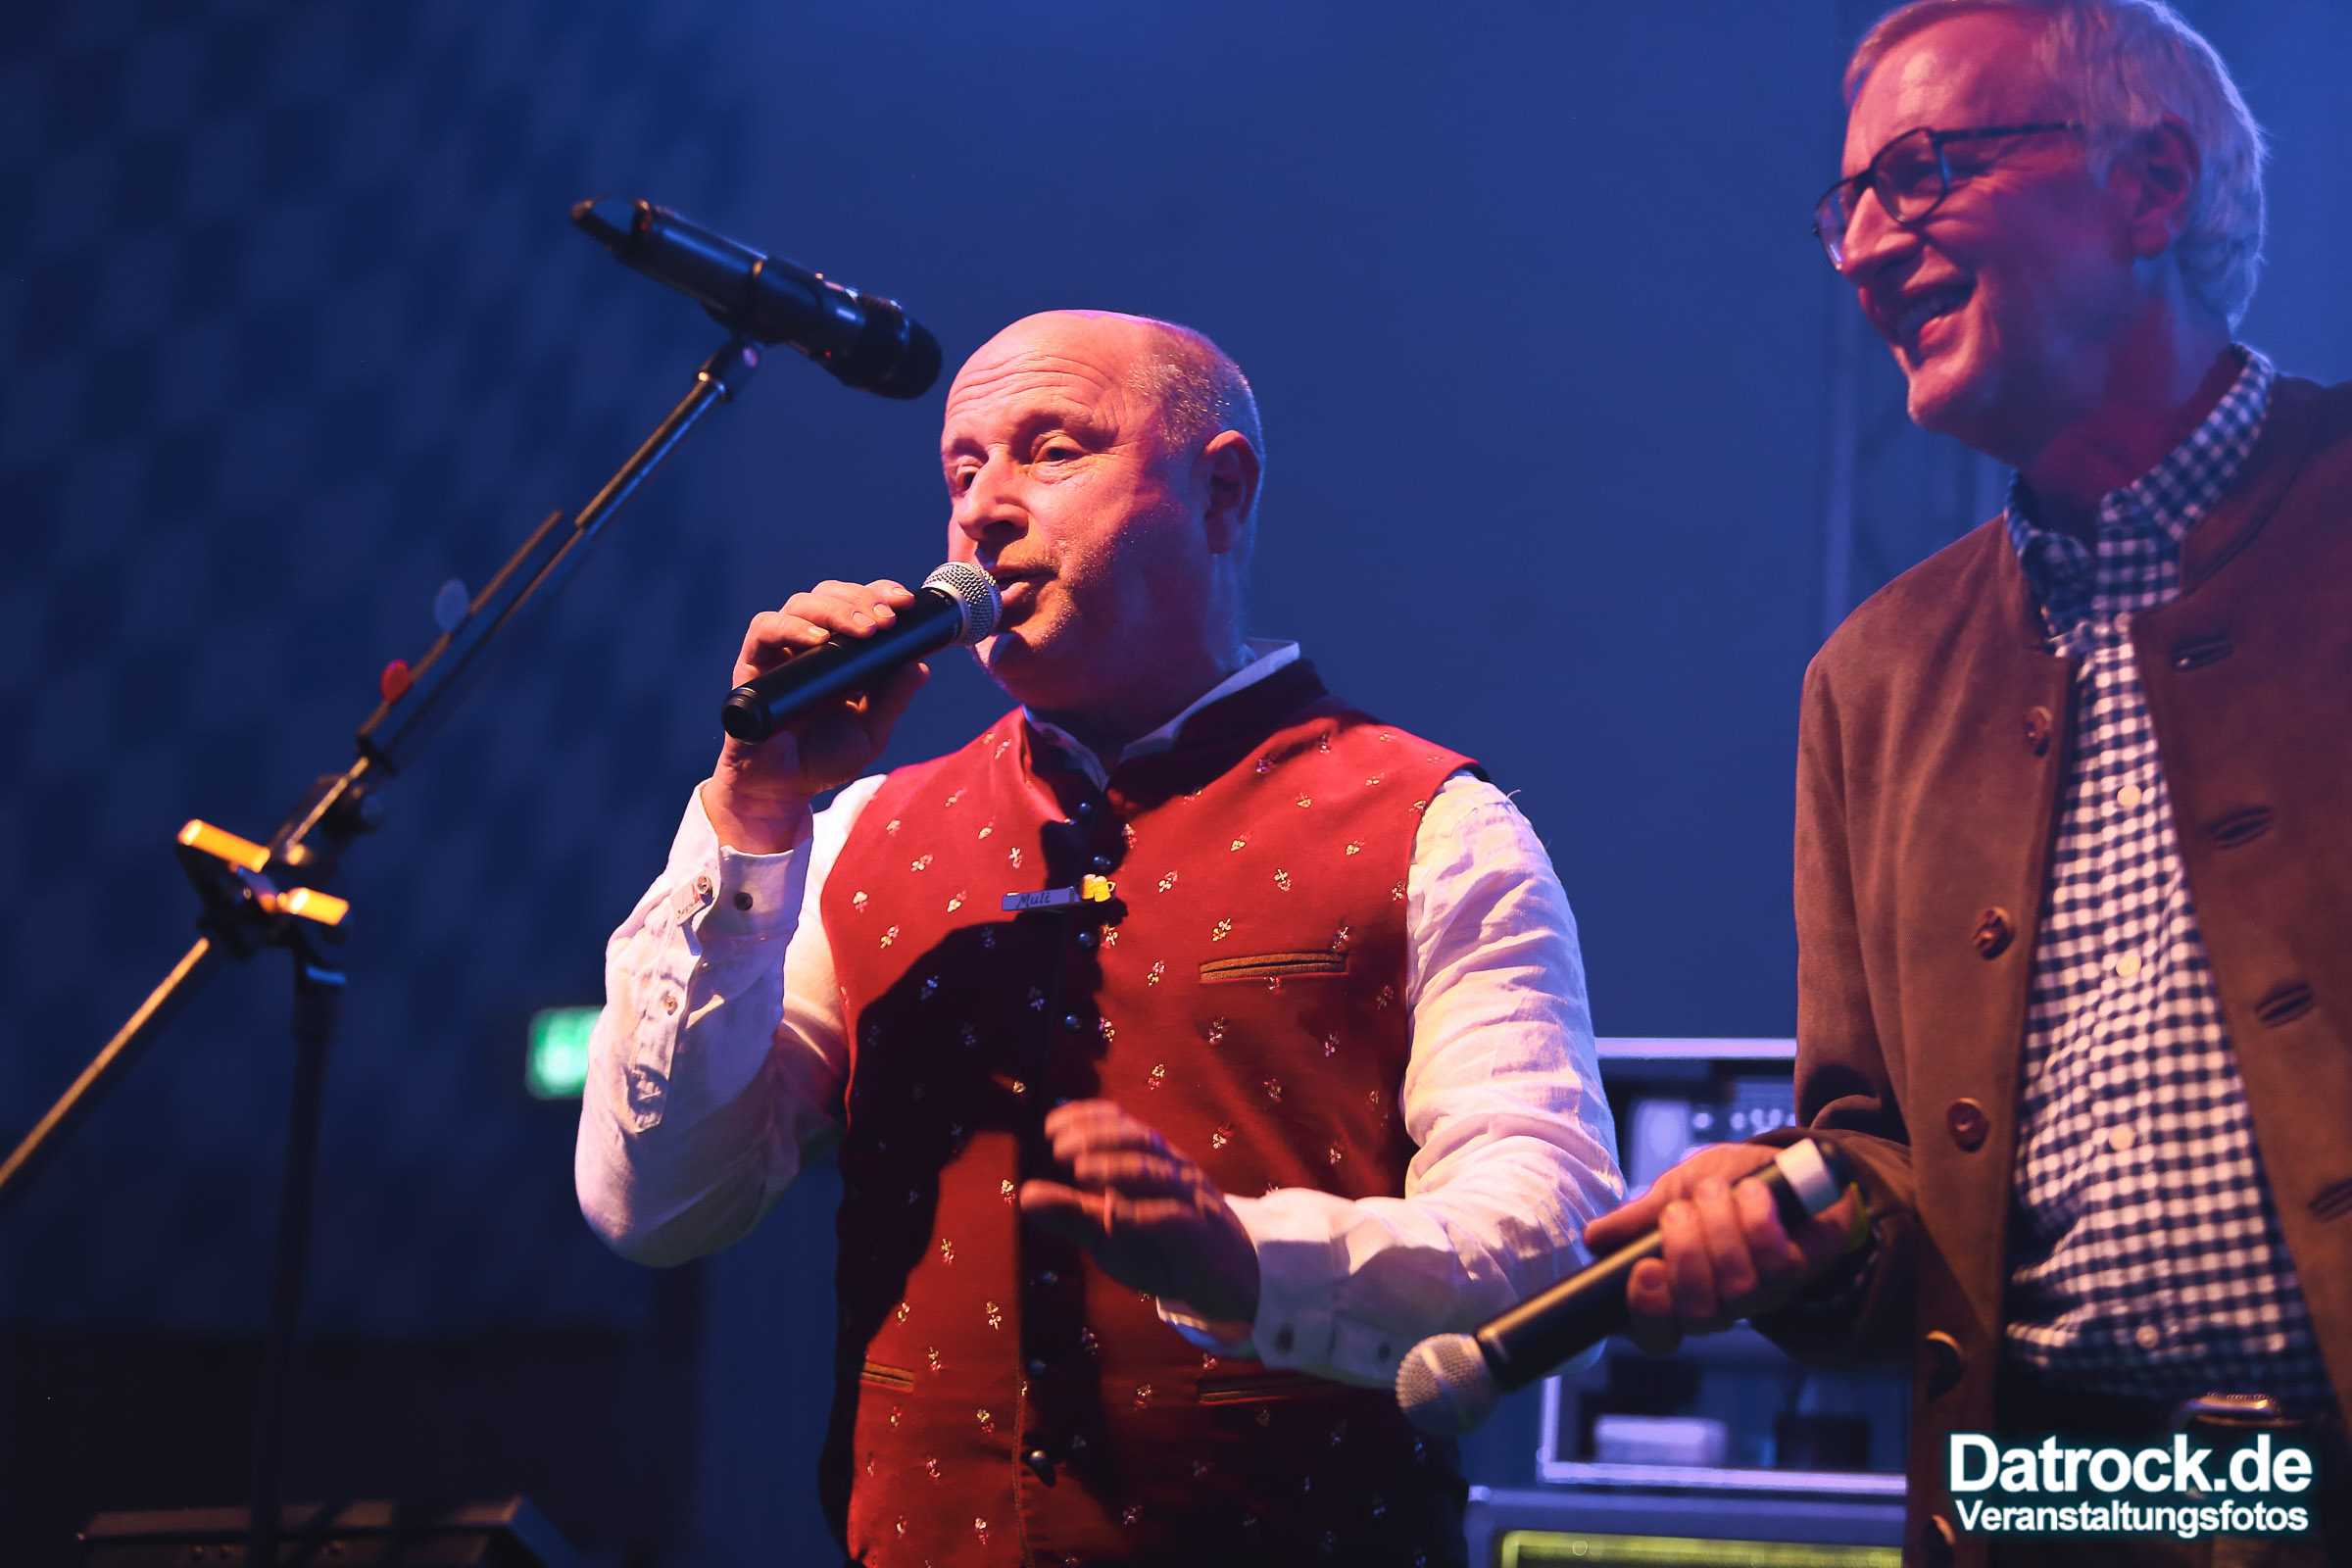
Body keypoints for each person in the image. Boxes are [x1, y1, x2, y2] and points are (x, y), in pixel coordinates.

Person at [575, 310, 1621, 1566]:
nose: (983, 509)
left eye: (1052, 450)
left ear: (1221, 493)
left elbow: (1550, 1245)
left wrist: (1251, 1265)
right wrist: (750, 813)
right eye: (962, 469)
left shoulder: (1433, 826)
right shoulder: (858, 833)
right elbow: (659, 1206)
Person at [1581, 4, 2352, 1564]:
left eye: (1923, 173)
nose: (1867, 249)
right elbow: (1885, 1164)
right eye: (1849, 205)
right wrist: (1780, 1218)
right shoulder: (1873, 679)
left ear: (2152, 188)